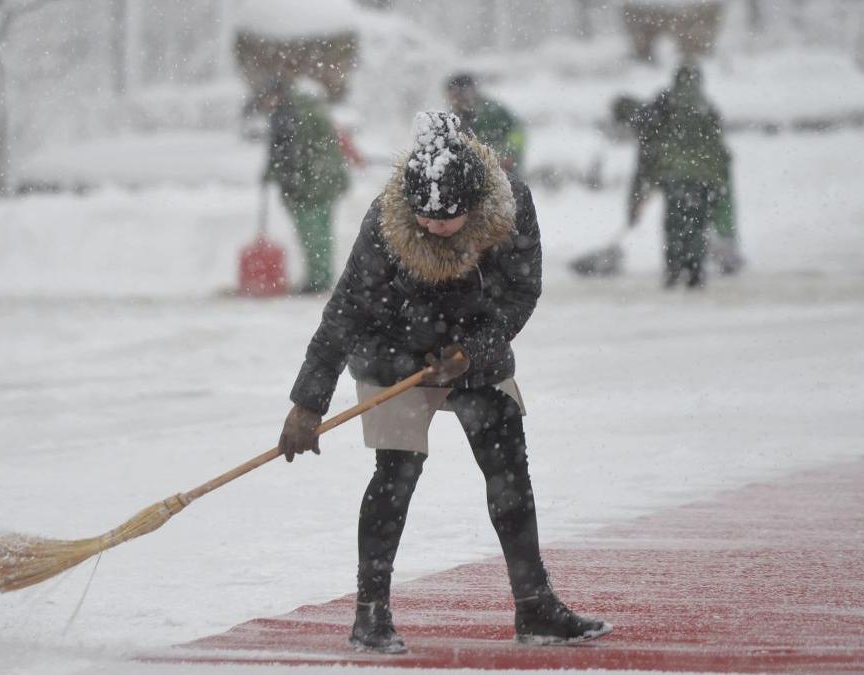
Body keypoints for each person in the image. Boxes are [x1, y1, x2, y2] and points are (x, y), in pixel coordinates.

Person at [277, 112, 612, 654]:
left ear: (475, 204)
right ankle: (371, 616)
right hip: (394, 353)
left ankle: (535, 607)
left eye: (447, 219)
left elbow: (522, 294)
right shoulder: (386, 222)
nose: (434, 226)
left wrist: (472, 352)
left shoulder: (512, 207)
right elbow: (345, 312)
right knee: (397, 472)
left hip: (473, 348)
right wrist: (306, 405)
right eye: (425, 217)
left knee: (508, 466)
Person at [616, 62, 738, 288]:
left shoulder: (662, 105)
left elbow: (645, 161)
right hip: (706, 176)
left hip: (675, 174)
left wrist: (635, 202)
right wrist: (718, 183)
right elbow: (719, 150)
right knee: (697, 224)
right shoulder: (706, 106)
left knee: (675, 223)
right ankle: (695, 272)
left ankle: (674, 271)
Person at [256, 78, 350, 294]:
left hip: (308, 184)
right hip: (327, 180)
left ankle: (317, 280)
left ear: (274, 95)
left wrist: (276, 176)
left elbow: (285, 153)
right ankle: (323, 276)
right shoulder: (311, 107)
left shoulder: (286, 113)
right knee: (323, 231)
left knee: (310, 232)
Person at [446, 73, 527, 178]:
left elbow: (516, 132)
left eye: (456, 94)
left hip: (502, 173)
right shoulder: (453, 117)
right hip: (474, 176)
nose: (454, 100)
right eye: (451, 95)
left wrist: (509, 154)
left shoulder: (492, 111)